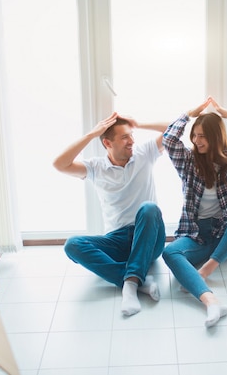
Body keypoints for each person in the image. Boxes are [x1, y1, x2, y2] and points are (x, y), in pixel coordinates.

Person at [162, 96, 227, 327]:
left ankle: (206, 269)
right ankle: (211, 302)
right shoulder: (188, 162)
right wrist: (188, 114)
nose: (196, 140)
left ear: (215, 137)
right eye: (194, 135)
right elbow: (169, 140)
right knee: (170, 253)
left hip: (225, 234)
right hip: (196, 235)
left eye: (202, 136)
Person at [53, 112, 168, 317]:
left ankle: (131, 285)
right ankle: (136, 278)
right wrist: (90, 135)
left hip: (149, 235)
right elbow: (59, 164)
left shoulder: (145, 153)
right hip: (118, 239)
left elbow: (175, 129)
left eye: (132, 135)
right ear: (107, 142)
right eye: (125, 137)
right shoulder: (96, 167)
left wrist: (138, 123)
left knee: (149, 208)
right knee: (73, 245)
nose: (132, 141)